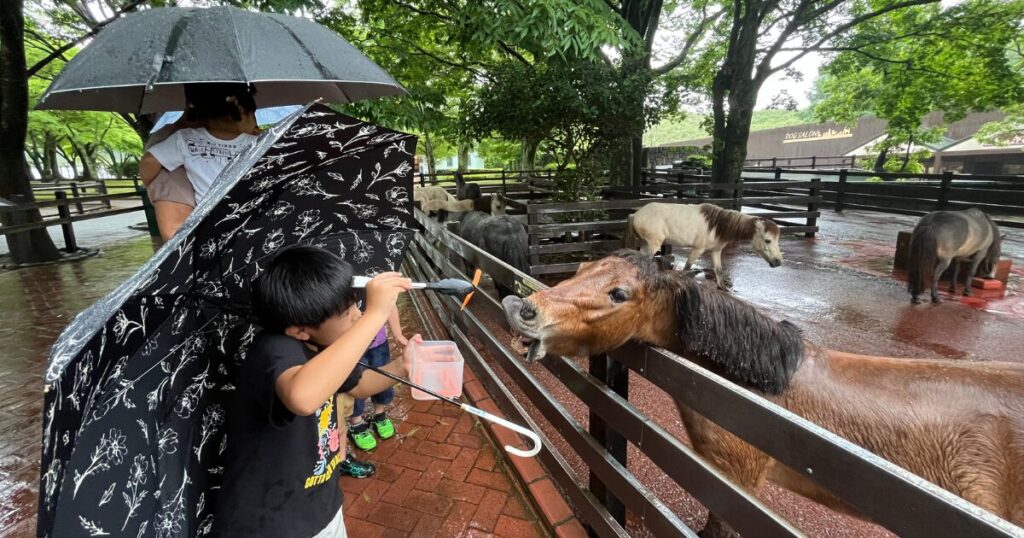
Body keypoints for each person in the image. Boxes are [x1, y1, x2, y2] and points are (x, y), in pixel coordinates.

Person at [215, 245, 419, 538]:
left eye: (357, 307)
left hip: (320, 503)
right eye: (347, 313)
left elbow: (359, 384)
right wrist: (376, 314)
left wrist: (401, 366)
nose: (357, 316)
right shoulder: (274, 351)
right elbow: (302, 398)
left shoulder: (324, 346)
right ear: (299, 330)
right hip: (271, 522)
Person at [140, 83, 260, 239]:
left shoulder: (185, 138)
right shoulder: (258, 143)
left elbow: (148, 162)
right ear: (243, 111)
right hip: (252, 218)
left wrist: (150, 183)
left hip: (210, 223)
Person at [347, 308, 407, 451]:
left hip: (378, 343)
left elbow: (390, 305)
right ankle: (356, 423)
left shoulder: (378, 285)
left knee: (384, 378)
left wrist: (398, 334)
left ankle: (379, 413)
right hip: (351, 345)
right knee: (353, 383)